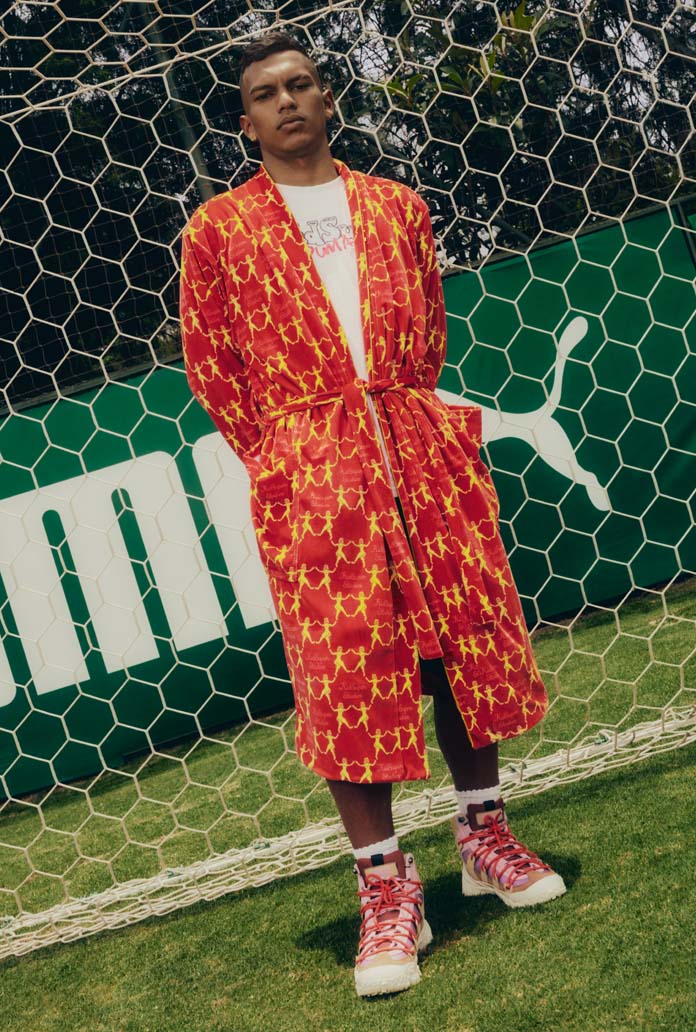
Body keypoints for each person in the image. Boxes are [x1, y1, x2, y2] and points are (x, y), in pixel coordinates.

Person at [180, 30, 566, 998]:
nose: (287, 102)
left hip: (414, 444)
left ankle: (483, 837)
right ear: (246, 122)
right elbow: (212, 365)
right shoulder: (218, 230)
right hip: (313, 470)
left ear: (328, 99)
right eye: (266, 93)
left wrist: (399, 417)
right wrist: (286, 458)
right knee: (345, 665)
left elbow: (428, 331)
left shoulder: (397, 206)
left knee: (459, 642)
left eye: (301, 83)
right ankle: (387, 888)